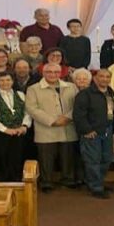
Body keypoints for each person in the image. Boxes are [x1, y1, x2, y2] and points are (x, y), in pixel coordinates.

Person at [25, 63, 78, 192]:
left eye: (56, 72)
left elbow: (78, 105)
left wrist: (67, 117)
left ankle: (68, 179)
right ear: (43, 73)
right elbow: (32, 108)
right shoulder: (33, 89)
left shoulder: (71, 87)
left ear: (61, 73)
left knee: (68, 156)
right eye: (49, 72)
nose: (53, 74)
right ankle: (46, 181)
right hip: (46, 129)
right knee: (46, 158)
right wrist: (51, 121)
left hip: (67, 126)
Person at [73, 69, 114, 199]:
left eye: (107, 77)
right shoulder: (85, 94)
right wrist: (86, 130)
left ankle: (98, 182)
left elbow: (113, 113)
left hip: (108, 131)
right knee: (92, 160)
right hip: (92, 132)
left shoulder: (111, 93)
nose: (104, 79)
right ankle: (96, 187)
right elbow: (78, 114)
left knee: (106, 159)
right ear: (95, 78)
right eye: (101, 76)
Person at [0, 71, 32, 182]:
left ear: (12, 81)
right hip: (0, 134)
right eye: (2, 80)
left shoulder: (20, 94)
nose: (5, 82)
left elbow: (27, 113)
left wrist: (24, 126)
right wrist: (6, 130)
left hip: (19, 132)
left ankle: (17, 182)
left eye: (8, 80)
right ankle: (3, 182)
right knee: (1, 159)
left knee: (18, 158)